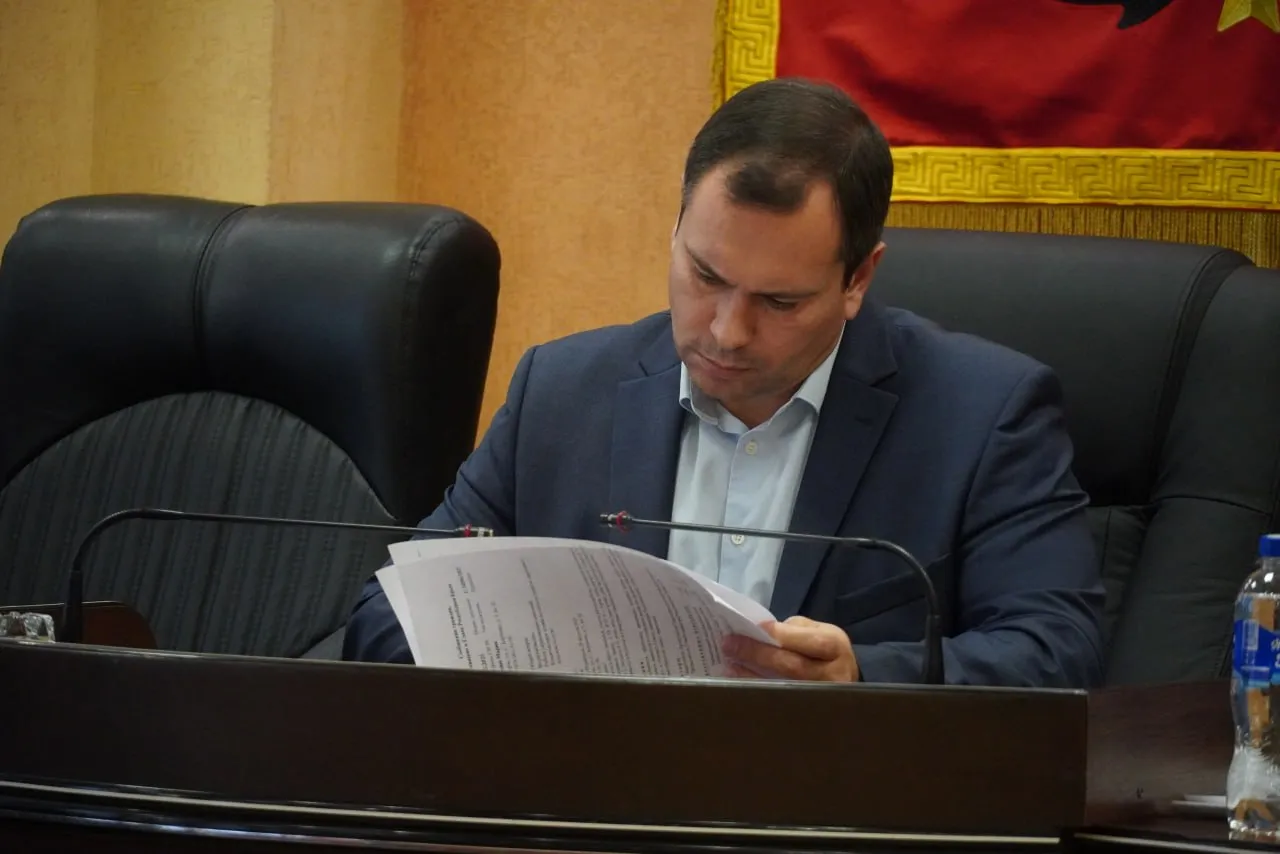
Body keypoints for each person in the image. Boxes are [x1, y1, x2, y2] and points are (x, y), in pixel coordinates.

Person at [342, 77, 1105, 687]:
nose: (726, 331)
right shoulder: (562, 392)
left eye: (780, 302)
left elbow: (1055, 651)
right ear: (675, 231)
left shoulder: (983, 414)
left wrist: (862, 676)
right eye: (705, 276)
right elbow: (386, 620)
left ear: (857, 280)